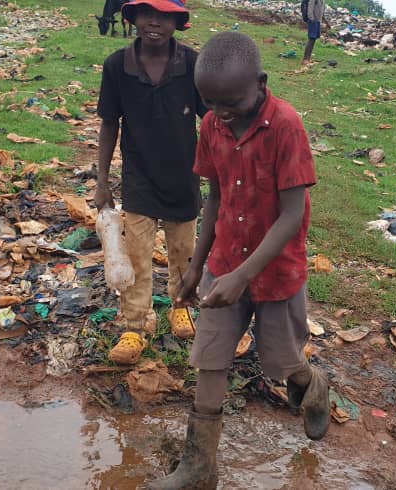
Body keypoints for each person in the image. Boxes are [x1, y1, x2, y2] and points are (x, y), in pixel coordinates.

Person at [147, 32, 329, 489]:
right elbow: (215, 198)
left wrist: (243, 275)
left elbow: (292, 216)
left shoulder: (286, 126)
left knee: (283, 362)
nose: (221, 112)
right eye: (209, 102)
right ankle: (198, 467)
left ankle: (313, 386)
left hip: (276, 272)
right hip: (224, 261)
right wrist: (196, 266)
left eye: (231, 102)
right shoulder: (212, 126)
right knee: (210, 358)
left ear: (262, 84)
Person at [94, 0, 206, 357]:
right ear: (133, 18)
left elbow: (213, 118)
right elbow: (109, 122)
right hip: (139, 175)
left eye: (164, 16)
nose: (154, 22)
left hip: (184, 174)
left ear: (178, 21)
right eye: (146, 14)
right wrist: (101, 180)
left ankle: (180, 307)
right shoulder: (117, 66)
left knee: (184, 252)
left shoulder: (191, 64)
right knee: (137, 255)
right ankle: (134, 326)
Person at [301, 0, 330, 65]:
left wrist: (324, 21)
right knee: (311, 38)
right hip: (313, 20)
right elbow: (310, 9)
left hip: (318, 21)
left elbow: (321, 11)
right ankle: (305, 59)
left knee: (314, 39)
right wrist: (311, 19)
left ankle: (308, 58)